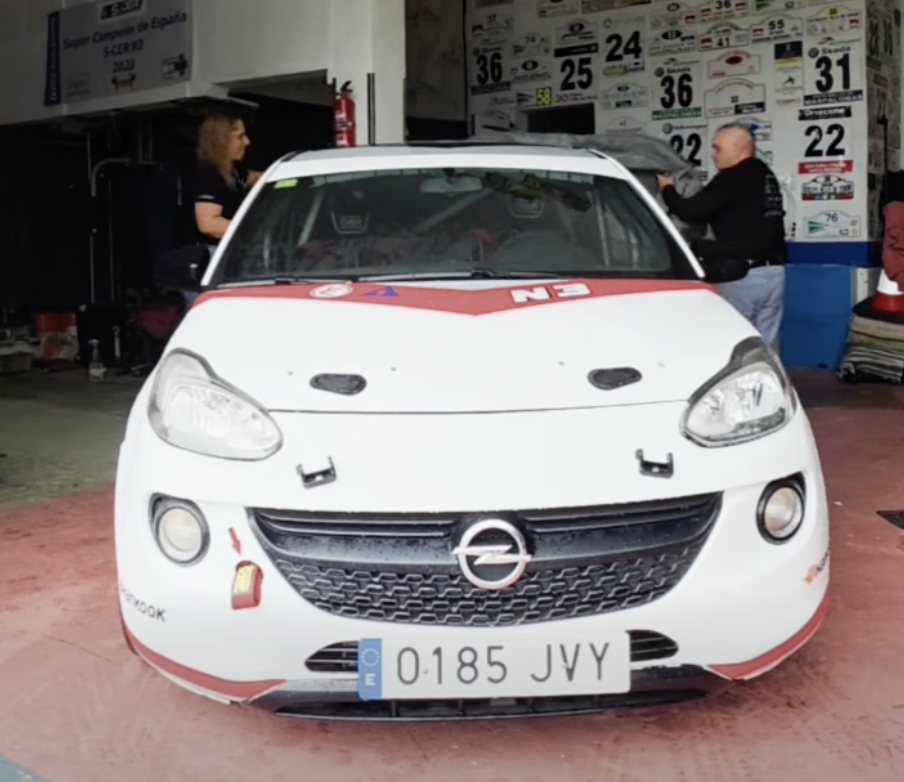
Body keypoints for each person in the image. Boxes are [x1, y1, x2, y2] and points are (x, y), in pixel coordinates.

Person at [656, 123, 787, 346]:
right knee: (766, 346)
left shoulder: (733, 177)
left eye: (718, 148)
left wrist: (667, 189)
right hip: (774, 274)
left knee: (735, 344)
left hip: (743, 275)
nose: (713, 154)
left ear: (738, 149)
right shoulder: (764, 173)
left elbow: (691, 211)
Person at [184, 113, 262, 305]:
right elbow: (209, 224)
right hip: (211, 267)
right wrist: (259, 233)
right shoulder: (208, 176)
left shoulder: (232, 174)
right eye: (239, 137)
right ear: (221, 140)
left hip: (229, 263)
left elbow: (250, 180)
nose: (247, 142)